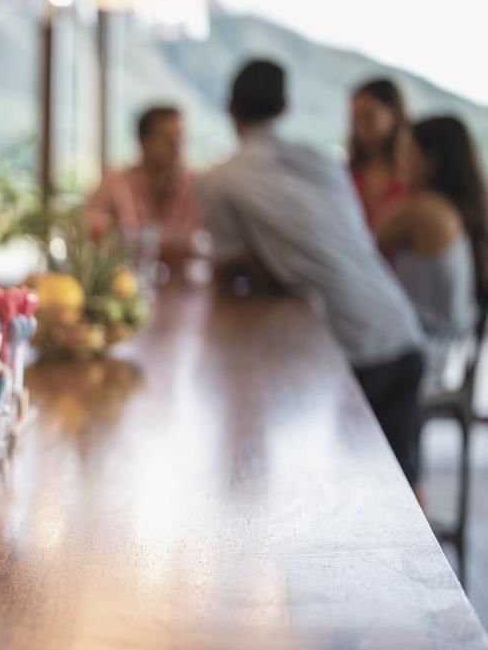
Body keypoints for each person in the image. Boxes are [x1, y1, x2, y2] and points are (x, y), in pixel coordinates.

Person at [198, 60, 426, 485]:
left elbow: (229, 274)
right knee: (404, 486)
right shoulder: (324, 162)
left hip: (352, 347)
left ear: (229, 108)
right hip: (398, 328)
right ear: (285, 105)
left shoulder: (220, 181)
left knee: (362, 491)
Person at [376, 116, 485, 390]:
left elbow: (360, 255)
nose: (399, 159)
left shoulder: (420, 209)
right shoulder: (458, 209)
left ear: (430, 160)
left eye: (406, 150)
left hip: (423, 353)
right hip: (452, 349)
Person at [85, 105, 204, 265]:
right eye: (167, 139)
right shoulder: (114, 184)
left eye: (179, 138)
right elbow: (88, 234)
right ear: (144, 142)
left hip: (186, 287)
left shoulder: (197, 186)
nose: (176, 146)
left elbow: (212, 245)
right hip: (126, 284)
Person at [349, 78, 411, 231]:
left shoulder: (412, 175)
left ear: (394, 113)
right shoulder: (350, 172)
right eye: (355, 119)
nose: (361, 127)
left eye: (369, 116)